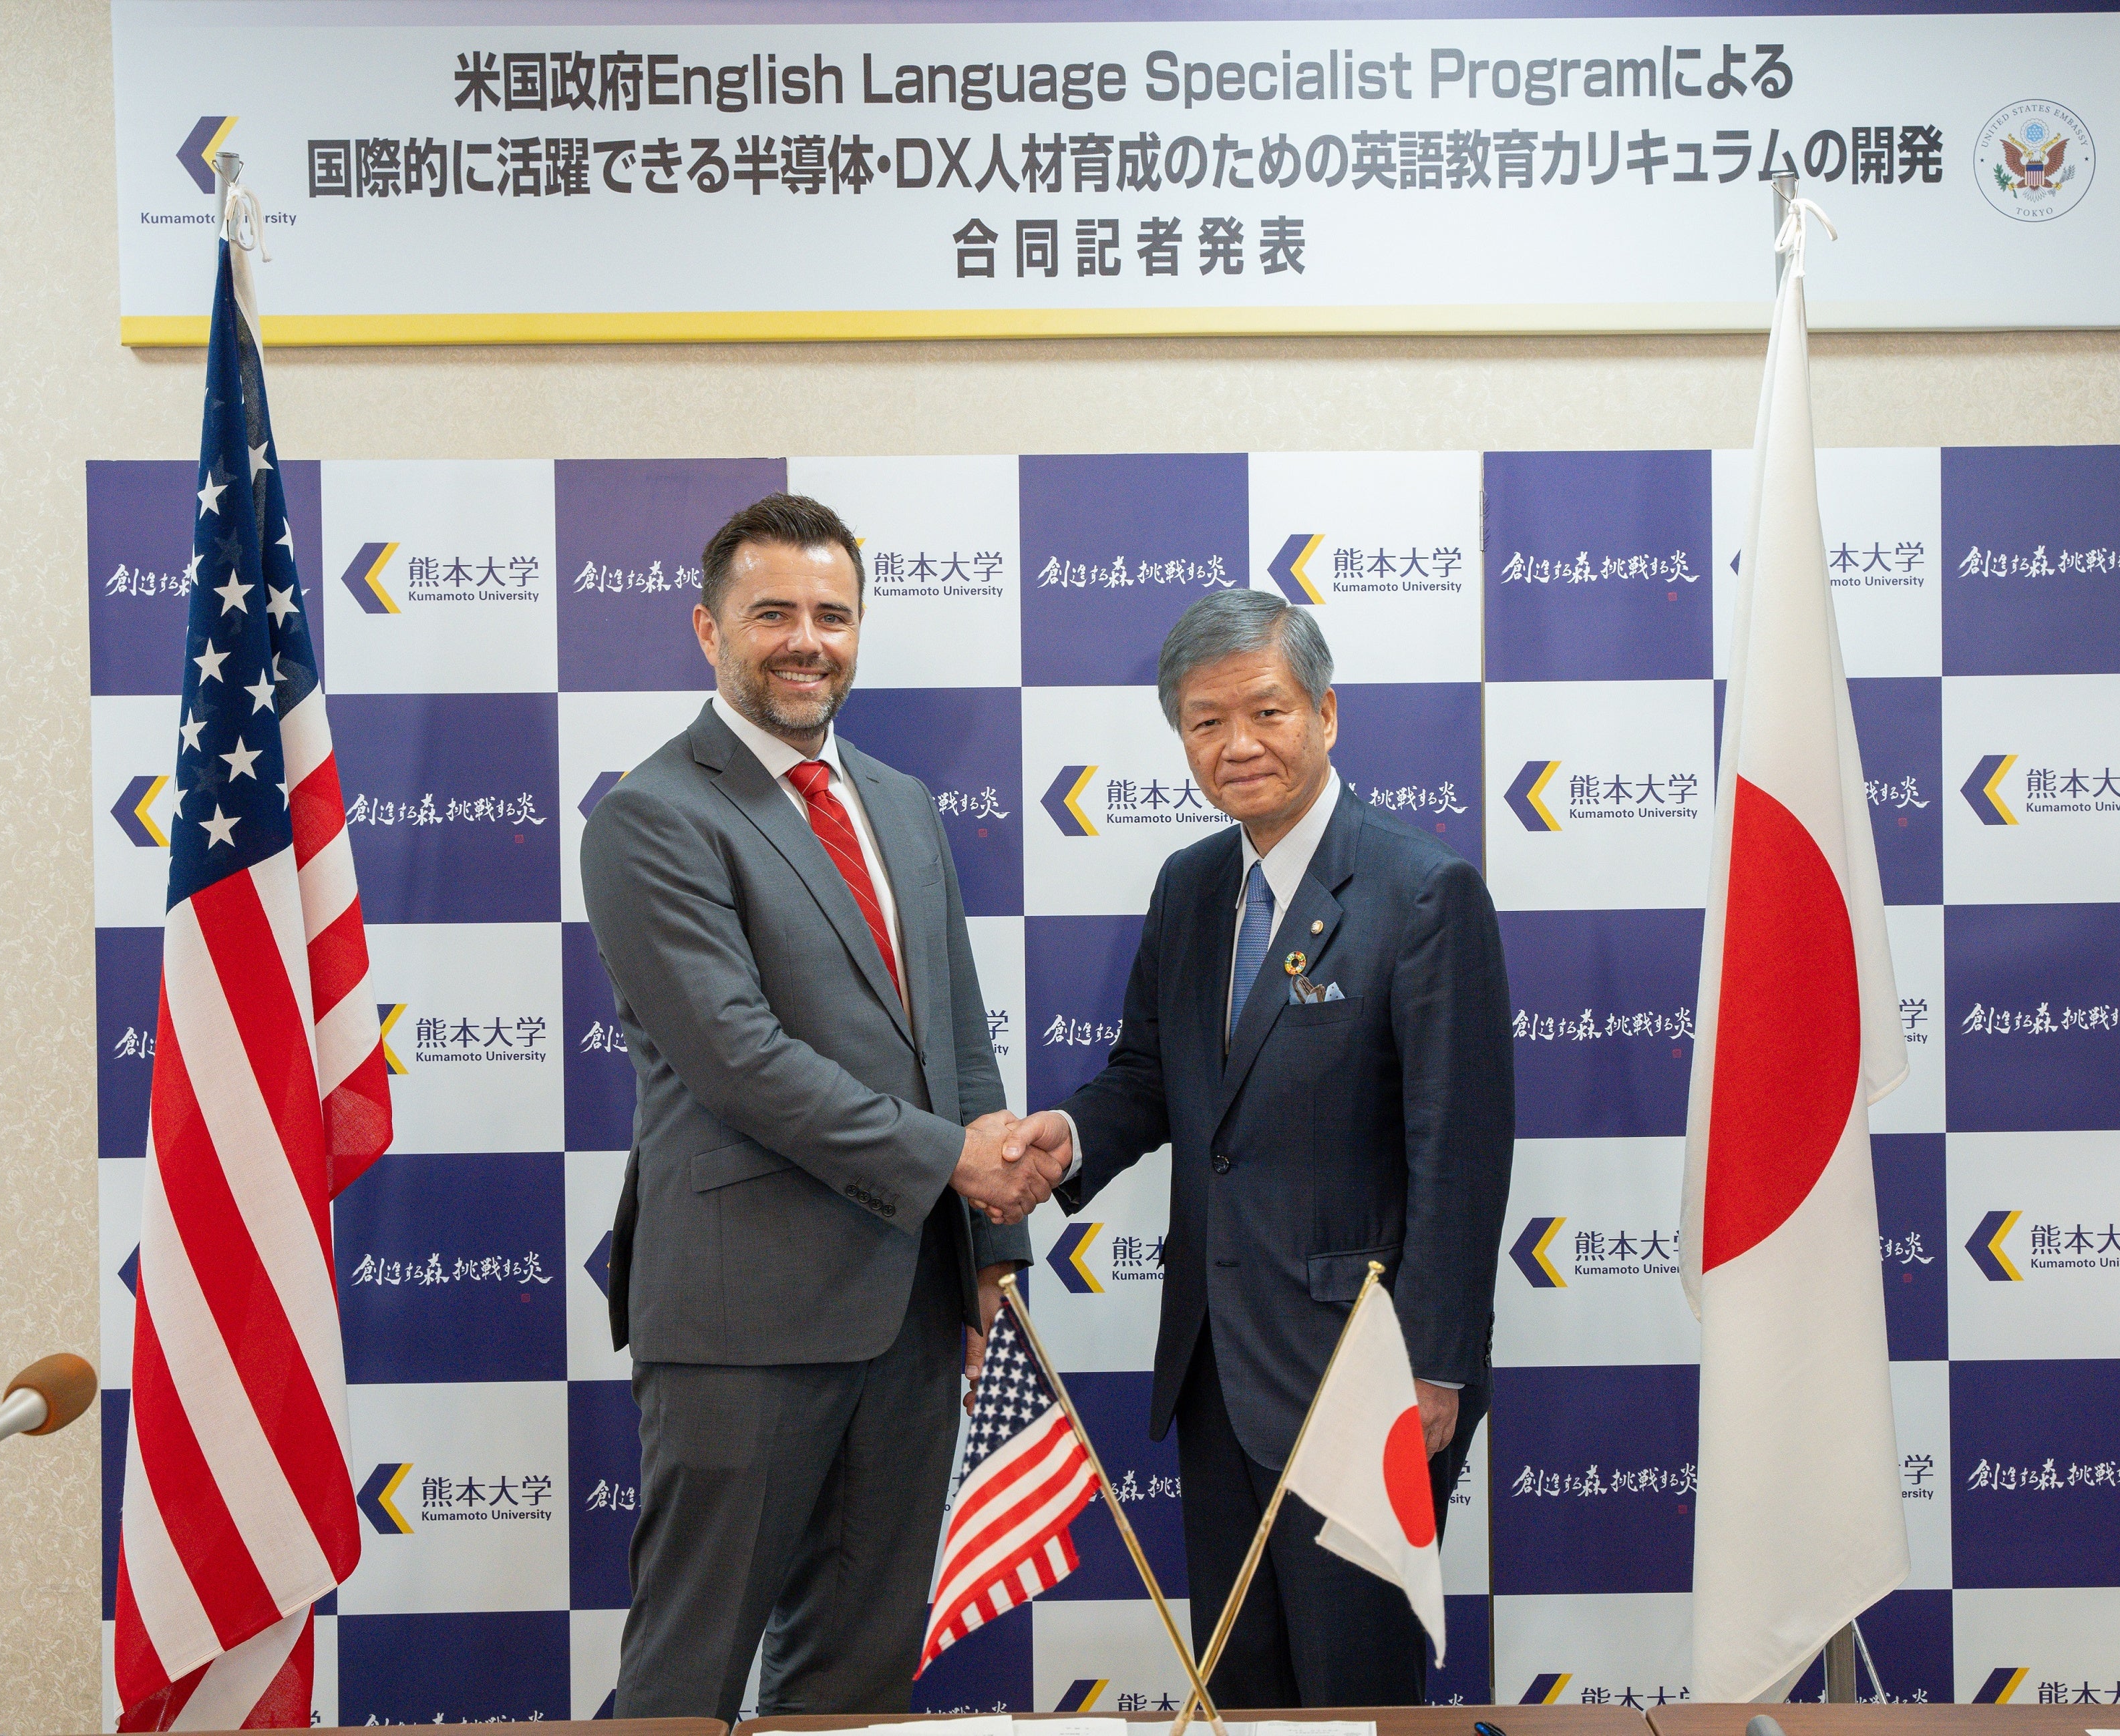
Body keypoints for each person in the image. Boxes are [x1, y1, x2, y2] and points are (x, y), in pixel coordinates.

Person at [581, 492, 1067, 1721]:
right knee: (687, 1673)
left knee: (856, 1680)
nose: (808, 640)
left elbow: (956, 1038)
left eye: (833, 616)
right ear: (709, 630)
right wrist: (952, 1161)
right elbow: (739, 1061)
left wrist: (990, 1252)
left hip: (912, 1311)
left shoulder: (898, 803)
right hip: (741, 1319)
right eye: (773, 614)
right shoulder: (651, 815)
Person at [1000, 588, 1514, 1708]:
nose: (1237, 745)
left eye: (1266, 712)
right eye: (1205, 721)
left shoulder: (1422, 892)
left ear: (1325, 713)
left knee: (1353, 1695)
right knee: (1245, 1694)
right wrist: (1065, 1140)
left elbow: (1461, 1155)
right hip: (1215, 1369)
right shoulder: (1190, 888)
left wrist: (1434, 1368)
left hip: (1360, 1378)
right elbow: (1152, 1076)